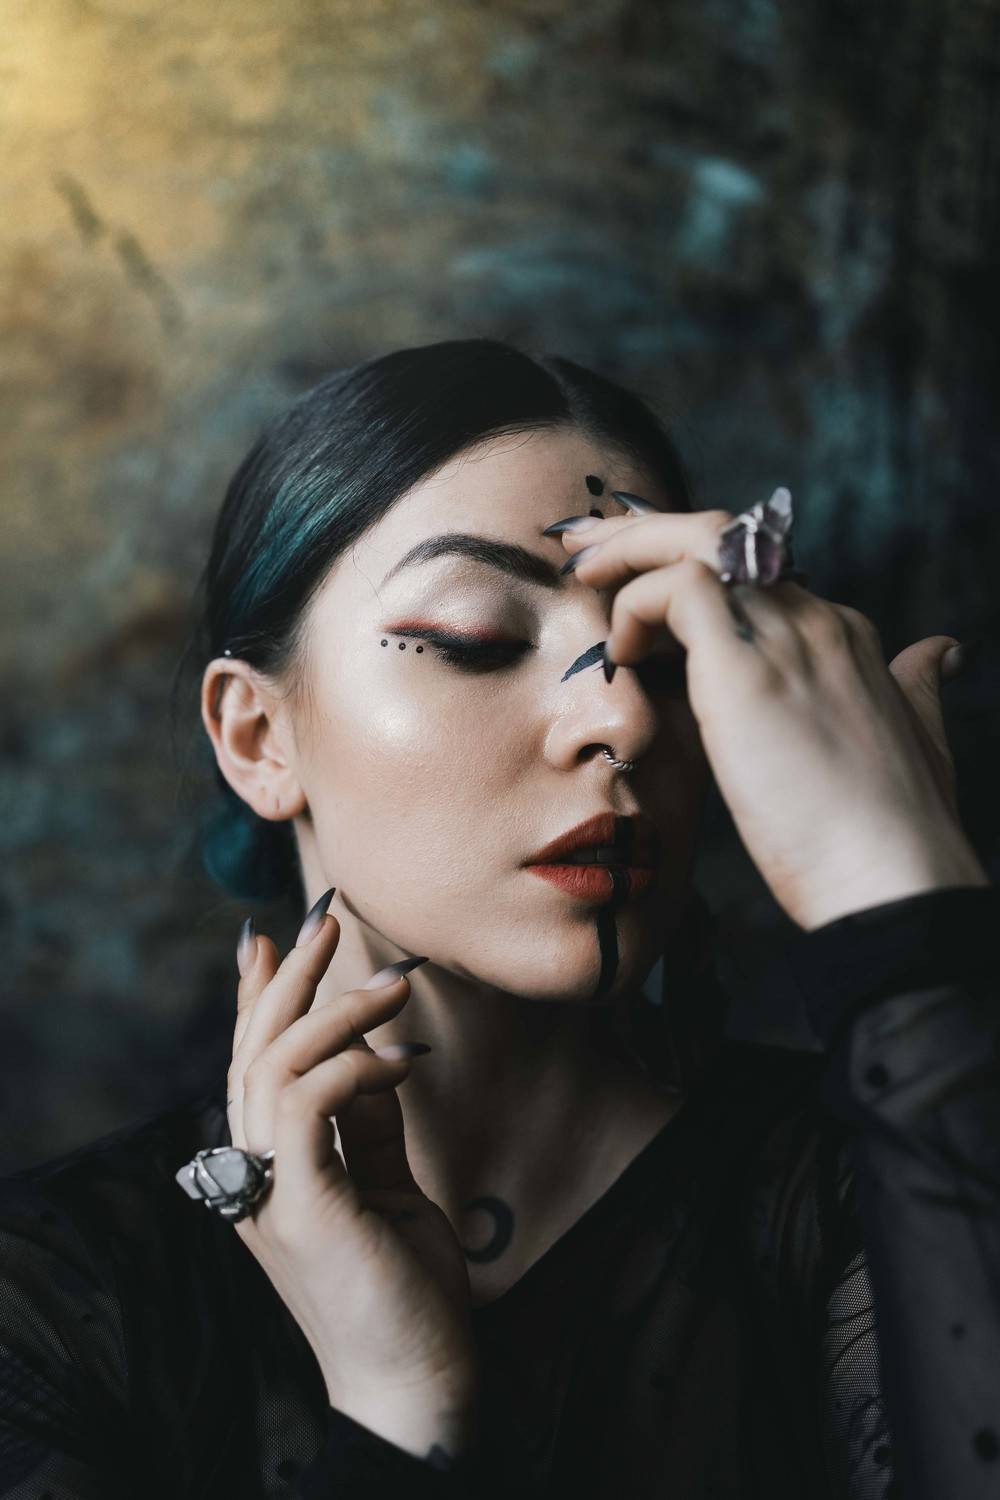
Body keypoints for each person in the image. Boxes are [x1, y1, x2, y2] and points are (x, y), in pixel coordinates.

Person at [0, 337, 997, 1500]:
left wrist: (896, 896)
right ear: (258, 737)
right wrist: (397, 1410)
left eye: (663, 655)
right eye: (477, 640)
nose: (621, 719)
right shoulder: (54, 1304)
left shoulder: (881, 1190)